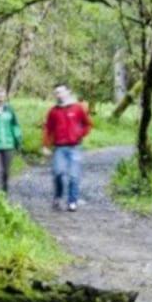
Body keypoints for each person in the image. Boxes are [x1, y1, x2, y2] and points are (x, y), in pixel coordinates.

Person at [42, 83, 92, 211]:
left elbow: (87, 124)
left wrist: (80, 134)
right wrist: (45, 145)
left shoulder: (77, 108)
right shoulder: (53, 111)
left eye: (61, 91)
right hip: (59, 147)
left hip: (75, 146)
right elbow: (48, 129)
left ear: (68, 92)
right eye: (56, 92)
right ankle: (58, 197)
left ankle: (72, 201)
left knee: (74, 176)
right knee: (58, 173)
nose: (59, 94)